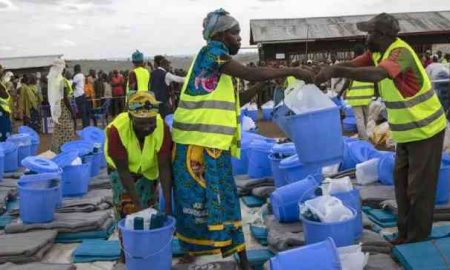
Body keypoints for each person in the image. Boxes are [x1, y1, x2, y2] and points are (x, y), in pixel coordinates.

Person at [171, 9, 313, 269]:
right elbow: (249, 73)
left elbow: (236, 103)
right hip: (196, 144)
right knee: (198, 200)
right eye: (235, 33)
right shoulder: (212, 53)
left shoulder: (217, 68)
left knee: (220, 198)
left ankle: (232, 253)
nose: (239, 39)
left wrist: (263, 86)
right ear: (220, 34)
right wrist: (293, 69)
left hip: (210, 144)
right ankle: (193, 249)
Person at [315, 13, 447, 244]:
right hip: (406, 132)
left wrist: (336, 71)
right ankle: (404, 232)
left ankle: (416, 237)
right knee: (401, 183)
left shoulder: (399, 52)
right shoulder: (378, 53)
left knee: (419, 188)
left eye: (371, 32)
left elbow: (379, 74)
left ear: (384, 35)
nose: (366, 37)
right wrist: (331, 68)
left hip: (427, 130)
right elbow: (352, 65)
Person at [104, 91, 173, 230]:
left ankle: (149, 243)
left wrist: (168, 203)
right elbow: (123, 172)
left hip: (148, 170)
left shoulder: (162, 128)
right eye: (141, 123)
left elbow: (164, 167)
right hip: (121, 171)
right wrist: (138, 207)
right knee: (128, 210)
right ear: (130, 117)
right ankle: (126, 247)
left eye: (151, 121)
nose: (147, 127)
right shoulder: (117, 130)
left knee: (151, 209)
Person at [341, 45, 375, 140]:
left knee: (359, 118)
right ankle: (363, 136)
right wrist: (376, 93)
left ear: (355, 54)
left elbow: (348, 81)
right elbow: (374, 78)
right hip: (367, 95)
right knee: (365, 117)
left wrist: (340, 93)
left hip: (355, 97)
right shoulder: (369, 64)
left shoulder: (353, 65)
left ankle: (363, 138)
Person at [48, 60, 76, 153]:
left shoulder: (53, 79)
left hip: (57, 108)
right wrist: (72, 112)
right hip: (64, 109)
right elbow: (65, 99)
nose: (65, 70)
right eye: (64, 68)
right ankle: (67, 151)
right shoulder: (61, 80)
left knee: (58, 130)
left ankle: (58, 150)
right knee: (68, 129)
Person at [0, 65, 12, 142]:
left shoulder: (1, 83)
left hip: (4, 111)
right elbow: (4, 96)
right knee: (3, 134)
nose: (2, 72)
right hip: (2, 111)